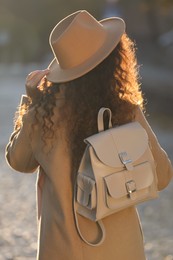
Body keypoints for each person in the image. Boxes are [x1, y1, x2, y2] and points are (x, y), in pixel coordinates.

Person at [6, 10, 173, 260]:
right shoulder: (127, 112)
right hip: (121, 250)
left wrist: (33, 103)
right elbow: (162, 177)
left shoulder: (43, 116)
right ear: (114, 59)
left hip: (62, 249)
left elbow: (18, 162)